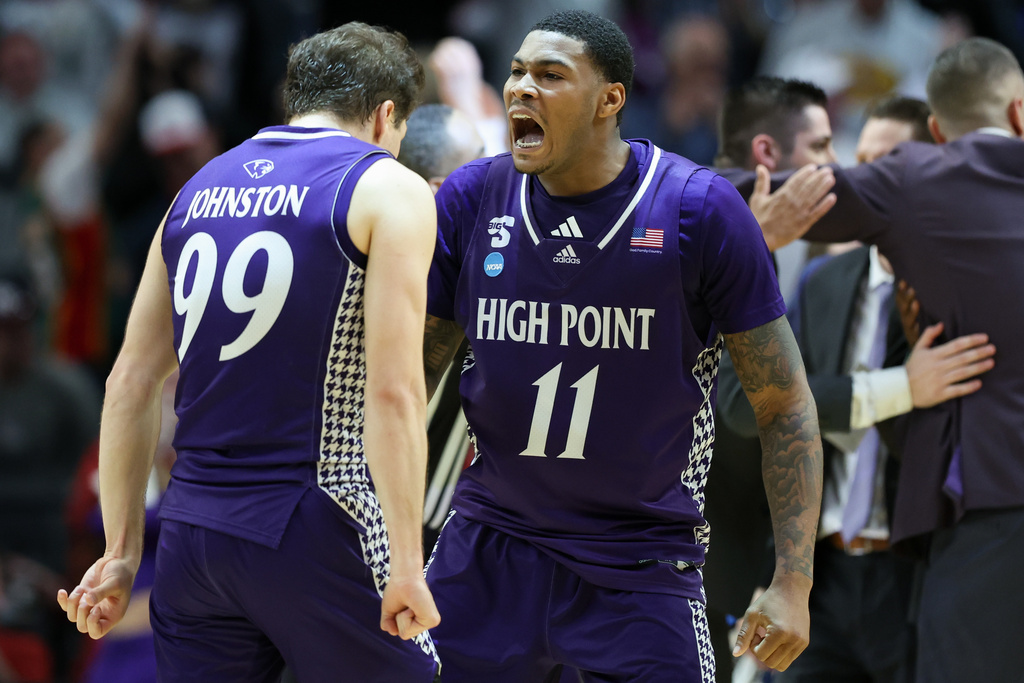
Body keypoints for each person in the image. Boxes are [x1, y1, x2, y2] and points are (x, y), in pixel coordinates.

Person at [422, 10, 823, 681]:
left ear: (610, 99)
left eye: (551, 75)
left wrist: (792, 581)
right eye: (517, 71)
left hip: (638, 565)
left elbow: (784, 404)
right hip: (489, 547)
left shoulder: (699, 210)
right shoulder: (473, 198)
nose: (522, 88)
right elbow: (408, 380)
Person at [56, 22, 441, 682]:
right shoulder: (385, 185)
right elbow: (394, 390)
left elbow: (130, 382)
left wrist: (121, 552)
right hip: (314, 516)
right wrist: (406, 562)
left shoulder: (196, 188)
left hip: (193, 532)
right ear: (386, 116)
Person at [734, 37, 1024, 683]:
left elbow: (769, 196)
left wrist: (650, 184)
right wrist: (900, 387)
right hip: (848, 571)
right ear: (1018, 113)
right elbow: (742, 402)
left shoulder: (922, 181)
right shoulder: (826, 286)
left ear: (938, 135)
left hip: (980, 521)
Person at [397, 103, 486, 551]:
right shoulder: (469, 272)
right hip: (413, 520)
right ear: (444, 191)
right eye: (481, 164)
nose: (498, 178)